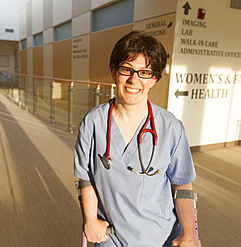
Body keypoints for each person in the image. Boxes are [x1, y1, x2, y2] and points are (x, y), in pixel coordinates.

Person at [74, 30, 200, 246]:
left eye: (144, 72)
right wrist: (91, 220)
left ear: (154, 78)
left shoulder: (171, 128)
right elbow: (86, 179)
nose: (134, 80)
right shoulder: (93, 122)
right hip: (111, 235)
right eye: (127, 70)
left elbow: (182, 185)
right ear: (114, 73)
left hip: (160, 235)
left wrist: (189, 233)